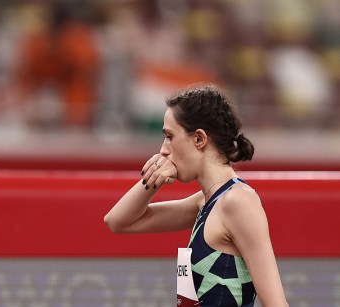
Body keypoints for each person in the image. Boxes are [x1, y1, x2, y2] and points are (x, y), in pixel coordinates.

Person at [104, 84, 288, 306]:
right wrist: (153, 181)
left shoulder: (238, 202)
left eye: (169, 137)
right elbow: (117, 221)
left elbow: (276, 304)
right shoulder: (206, 201)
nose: (163, 149)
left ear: (199, 139)